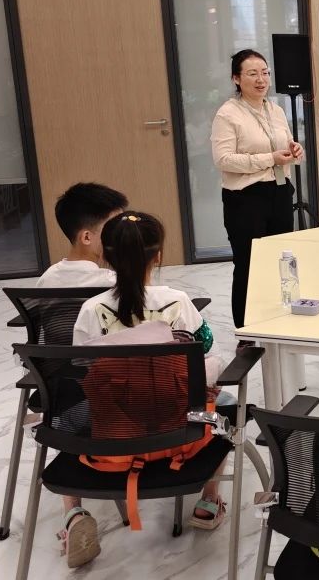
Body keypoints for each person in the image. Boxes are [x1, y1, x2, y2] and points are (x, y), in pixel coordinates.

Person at [62, 212, 226, 568]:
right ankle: (209, 501)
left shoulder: (90, 310)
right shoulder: (178, 301)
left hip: (110, 441)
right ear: (158, 256)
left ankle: (73, 515)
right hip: (181, 436)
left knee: (65, 419)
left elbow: (81, 371)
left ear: (105, 257)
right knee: (222, 405)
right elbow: (207, 351)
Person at [210, 49, 304, 330]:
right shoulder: (228, 114)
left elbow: (285, 144)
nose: (261, 79)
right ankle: (246, 331)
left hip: (279, 192)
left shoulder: (275, 110)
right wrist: (269, 159)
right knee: (248, 266)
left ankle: (277, 323)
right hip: (245, 198)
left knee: (280, 262)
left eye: (265, 73)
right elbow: (223, 159)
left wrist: (295, 150)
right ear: (236, 79)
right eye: (252, 74)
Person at [36, 182, 127, 287]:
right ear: (86, 237)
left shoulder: (47, 279)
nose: (121, 232)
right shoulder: (113, 283)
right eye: (114, 227)